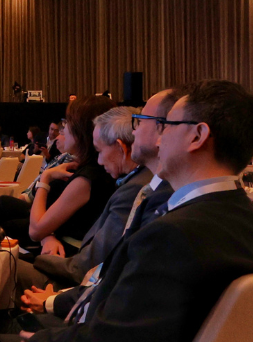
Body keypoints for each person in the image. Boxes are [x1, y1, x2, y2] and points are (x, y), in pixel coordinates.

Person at [0, 80, 253, 342]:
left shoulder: (172, 234)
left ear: (197, 136)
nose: (159, 138)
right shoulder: (251, 219)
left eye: (167, 124)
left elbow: (113, 336)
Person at [12, 93, 180, 331]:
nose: (135, 129)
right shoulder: (135, 183)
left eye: (141, 121)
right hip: (83, 280)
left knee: (3, 268)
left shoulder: (136, 190)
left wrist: (53, 298)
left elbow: (97, 269)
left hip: (81, 286)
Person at [0, 96, 117, 256]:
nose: (62, 130)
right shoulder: (83, 167)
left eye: (67, 123)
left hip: (63, 252)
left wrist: (45, 178)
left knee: (4, 225)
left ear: (82, 130)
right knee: (4, 204)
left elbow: (36, 230)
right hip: (55, 233)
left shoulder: (87, 178)